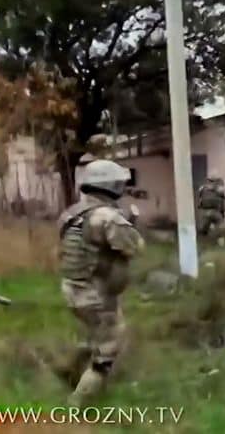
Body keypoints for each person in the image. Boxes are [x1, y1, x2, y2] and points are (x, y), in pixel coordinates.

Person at [56, 159, 145, 406]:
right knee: (108, 347)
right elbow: (135, 247)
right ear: (110, 186)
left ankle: (69, 371)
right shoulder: (107, 217)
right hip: (95, 294)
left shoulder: (72, 213)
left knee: (92, 336)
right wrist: (130, 223)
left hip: (72, 287)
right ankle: (78, 403)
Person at [197, 171, 225, 236]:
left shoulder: (203, 187)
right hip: (212, 211)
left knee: (205, 230)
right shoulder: (217, 188)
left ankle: (211, 237)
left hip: (208, 211)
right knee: (220, 228)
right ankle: (218, 238)